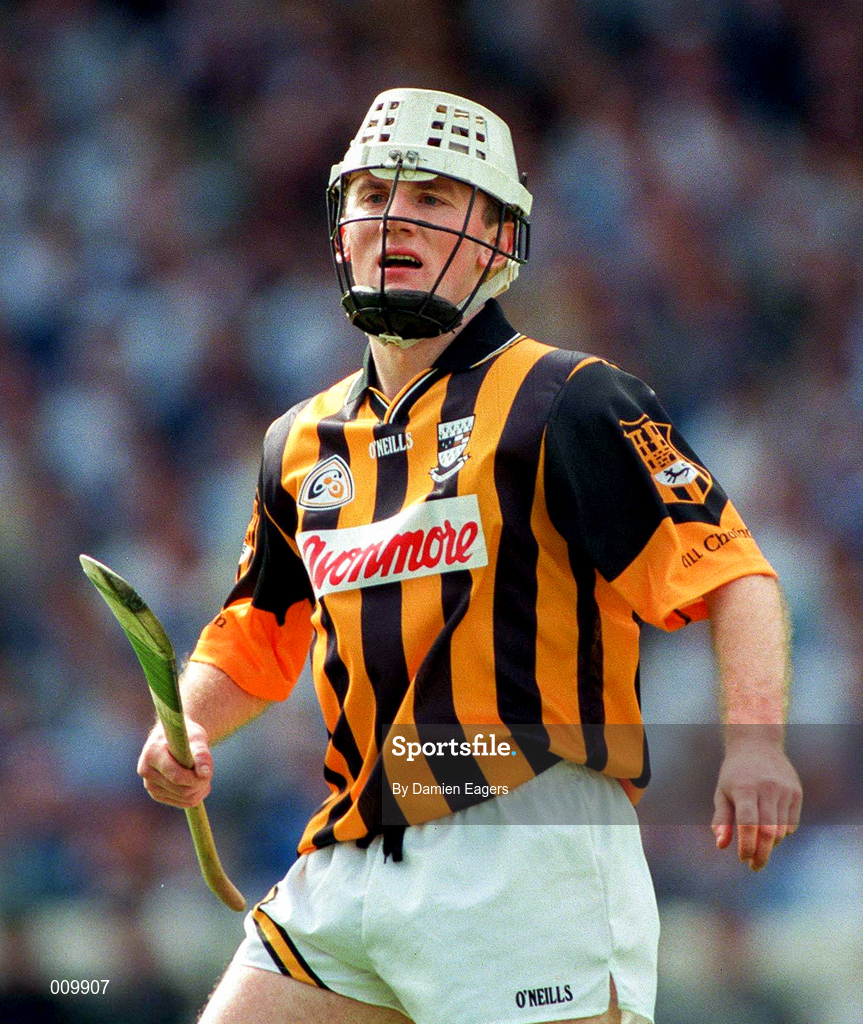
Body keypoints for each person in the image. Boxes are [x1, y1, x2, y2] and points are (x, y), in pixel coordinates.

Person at [137, 88, 802, 1024]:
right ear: (340, 225)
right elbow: (258, 628)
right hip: (347, 860)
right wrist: (188, 725)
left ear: (499, 241)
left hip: (524, 851)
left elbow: (736, 580)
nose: (393, 217)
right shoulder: (298, 441)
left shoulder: (570, 398)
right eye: (371, 193)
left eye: (434, 199)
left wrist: (756, 745)